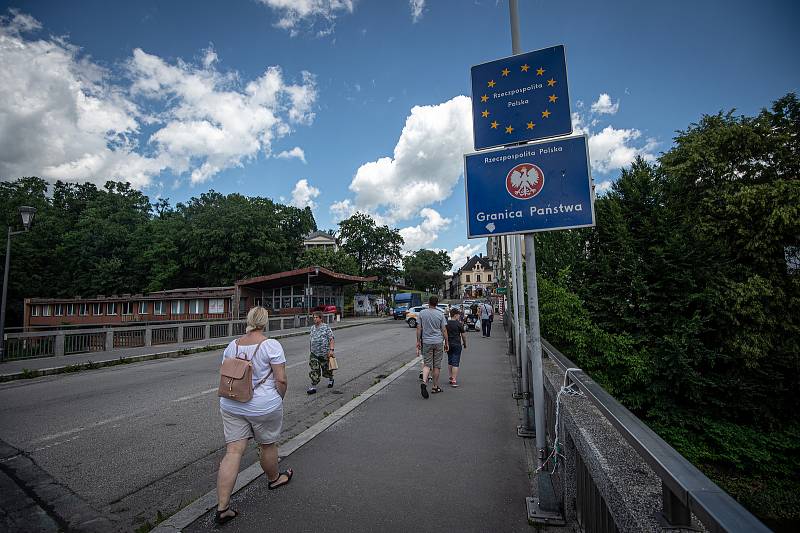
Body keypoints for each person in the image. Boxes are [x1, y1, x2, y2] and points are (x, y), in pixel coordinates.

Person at [215, 307, 291, 525]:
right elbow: (282, 380)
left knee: (233, 451)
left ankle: (222, 508)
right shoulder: (271, 345)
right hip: (262, 406)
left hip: (231, 404)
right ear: (265, 322)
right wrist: (278, 399)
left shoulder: (232, 345)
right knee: (267, 445)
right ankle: (274, 479)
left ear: (248, 321)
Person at [416, 295, 449, 398]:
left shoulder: (422, 313)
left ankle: (424, 382)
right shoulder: (440, 314)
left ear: (428, 303)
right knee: (437, 365)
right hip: (438, 341)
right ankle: (435, 387)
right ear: (437, 303)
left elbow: (418, 329)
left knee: (427, 364)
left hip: (426, 342)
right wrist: (447, 342)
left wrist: (418, 341)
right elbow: (444, 330)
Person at [307, 310, 335, 394]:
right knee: (314, 370)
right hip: (314, 354)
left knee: (326, 370)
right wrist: (311, 350)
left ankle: (331, 379)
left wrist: (331, 350)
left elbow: (331, 339)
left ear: (321, 318)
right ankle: (313, 386)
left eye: (316, 317)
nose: (315, 319)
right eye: (314, 317)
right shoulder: (312, 328)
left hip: (324, 353)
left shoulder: (326, 327)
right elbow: (311, 340)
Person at [446, 307, 467, 387]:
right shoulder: (459, 324)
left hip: (448, 344)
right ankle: (454, 380)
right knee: (455, 362)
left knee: (450, 361)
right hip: (457, 344)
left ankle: (451, 377)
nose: (459, 316)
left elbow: (444, 333)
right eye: (458, 315)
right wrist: (465, 344)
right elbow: (463, 335)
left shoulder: (447, 323)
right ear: (455, 315)